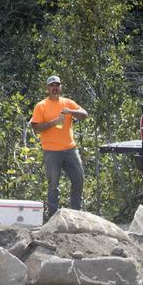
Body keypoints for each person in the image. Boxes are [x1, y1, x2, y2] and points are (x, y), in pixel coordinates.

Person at [31, 75, 89, 217]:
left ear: (60, 87)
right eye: (52, 86)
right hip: (51, 151)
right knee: (53, 185)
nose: (54, 88)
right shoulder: (41, 106)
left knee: (79, 178)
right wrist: (54, 122)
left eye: (57, 85)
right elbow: (36, 128)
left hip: (70, 149)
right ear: (47, 88)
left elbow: (84, 114)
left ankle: (76, 213)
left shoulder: (67, 102)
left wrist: (71, 112)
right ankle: (53, 216)